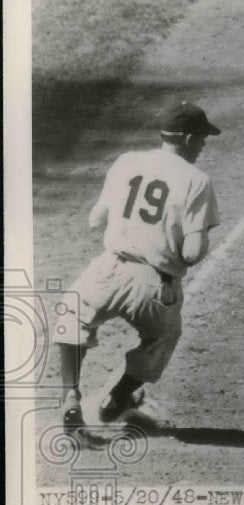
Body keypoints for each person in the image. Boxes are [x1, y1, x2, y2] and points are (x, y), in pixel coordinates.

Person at [53, 98, 222, 442]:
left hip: (110, 269)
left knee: (73, 317)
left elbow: (94, 219)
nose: (204, 143)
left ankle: (70, 396)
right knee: (163, 336)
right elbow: (191, 254)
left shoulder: (127, 161)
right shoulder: (197, 180)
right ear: (187, 138)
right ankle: (121, 394)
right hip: (155, 285)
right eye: (202, 137)